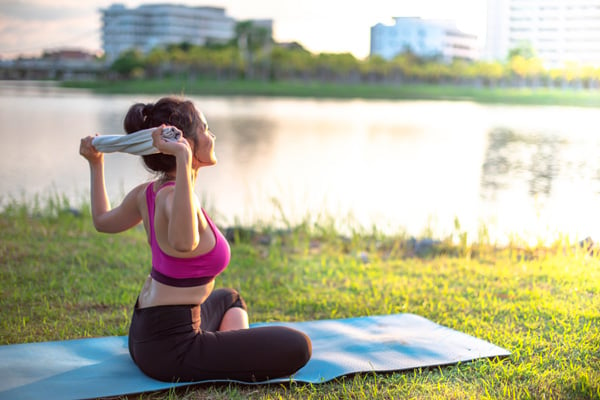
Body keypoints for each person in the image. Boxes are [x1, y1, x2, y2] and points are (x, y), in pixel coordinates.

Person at [79, 96, 311, 383]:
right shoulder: (172, 196)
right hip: (172, 349)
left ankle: (225, 354)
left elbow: (102, 221)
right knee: (299, 346)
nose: (211, 136)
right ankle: (224, 358)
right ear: (184, 142)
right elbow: (183, 242)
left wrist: (95, 163)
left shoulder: (149, 192)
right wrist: (183, 157)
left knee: (230, 299)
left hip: (144, 335)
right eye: (205, 128)